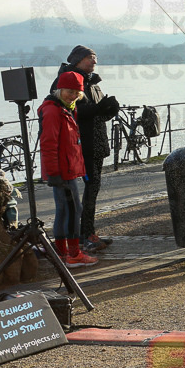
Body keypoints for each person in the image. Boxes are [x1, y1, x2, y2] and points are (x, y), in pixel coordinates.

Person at [51, 46, 120, 253]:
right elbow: (70, 111)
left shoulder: (93, 82)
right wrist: (98, 109)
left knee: (93, 188)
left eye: (95, 57)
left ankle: (87, 233)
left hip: (95, 143)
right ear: (77, 60)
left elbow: (95, 116)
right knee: (78, 194)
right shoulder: (66, 82)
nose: (94, 61)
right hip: (80, 146)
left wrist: (109, 111)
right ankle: (82, 236)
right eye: (90, 58)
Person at [38, 71, 97, 268]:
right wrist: (54, 173)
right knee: (73, 210)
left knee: (64, 210)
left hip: (67, 168)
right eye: (69, 92)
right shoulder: (54, 111)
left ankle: (62, 252)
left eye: (76, 93)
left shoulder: (66, 108)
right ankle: (73, 254)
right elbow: (48, 143)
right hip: (62, 171)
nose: (72, 96)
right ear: (60, 90)